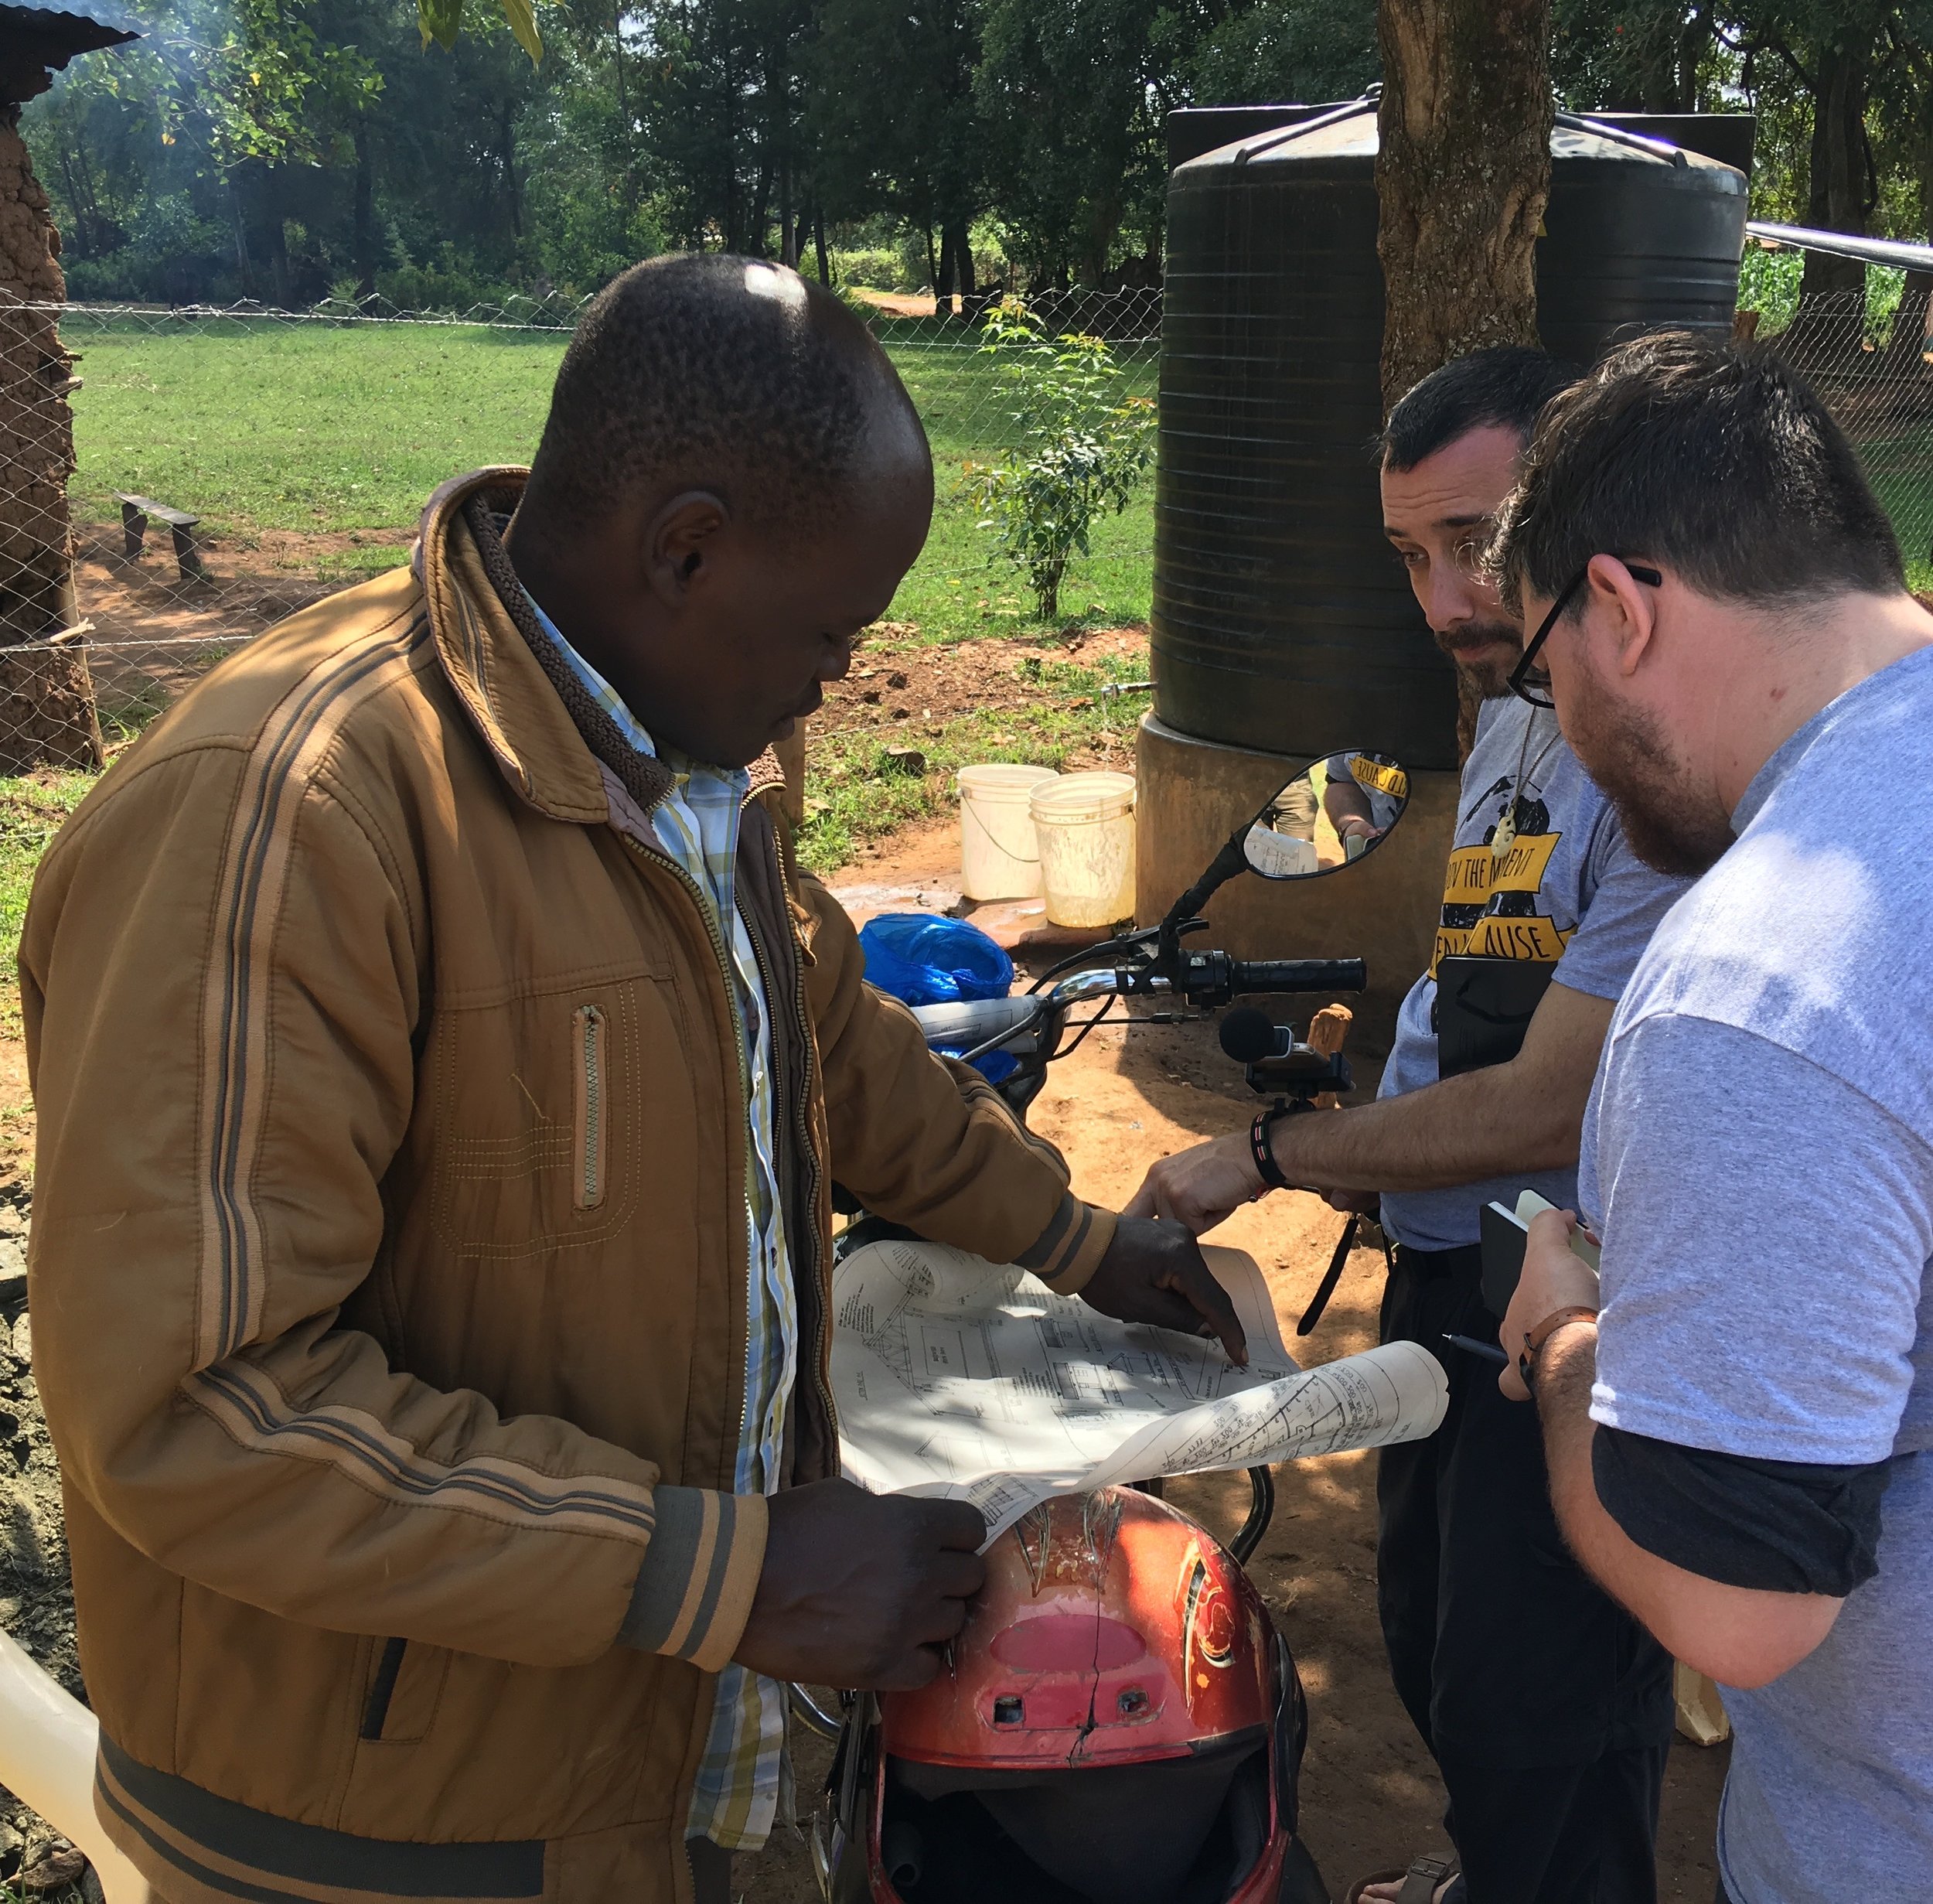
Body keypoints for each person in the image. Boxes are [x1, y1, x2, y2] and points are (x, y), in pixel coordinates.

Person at [21, 255, 1244, 1904]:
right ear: (682, 547)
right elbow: (196, 1410)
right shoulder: (286, 814)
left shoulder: (677, 764)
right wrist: (720, 1573)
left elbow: (829, 1041)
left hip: (646, 1763)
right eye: (829, 630)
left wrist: (1086, 1246)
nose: (840, 680)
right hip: (381, 1839)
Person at [1129, 347, 1685, 1904]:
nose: (1443, 598)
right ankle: (1478, 1866)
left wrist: (1264, 1156)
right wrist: (1376, 1129)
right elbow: (1476, 980)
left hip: (1565, 1320)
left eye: (1479, 541)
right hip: (1443, 1283)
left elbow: (1549, 1097)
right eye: (1406, 554)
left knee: (1548, 1716)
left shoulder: (1647, 752)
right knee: (1441, 1643)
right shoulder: (1515, 708)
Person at [1488, 331, 1933, 1904]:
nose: (1568, 733)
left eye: (1546, 674)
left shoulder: (1757, 985)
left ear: (1617, 605)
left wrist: (1560, 1341)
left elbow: (1731, 1605)